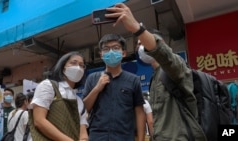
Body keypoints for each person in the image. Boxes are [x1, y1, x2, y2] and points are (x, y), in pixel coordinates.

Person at [105, 3, 207, 141]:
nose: (141, 48)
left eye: (144, 43)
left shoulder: (175, 67)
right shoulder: (155, 77)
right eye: (139, 45)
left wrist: (137, 29)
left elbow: (165, 55)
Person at [82, 33, 146, 141]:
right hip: (97, 137)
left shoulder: (133, 80)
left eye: (116, 48)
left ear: (124, 53)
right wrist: (97, 88)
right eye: (106, 49)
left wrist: (141, 139)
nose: (111, 52)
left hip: (124, 137)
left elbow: (139, 112)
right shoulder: (92, 78)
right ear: (101, 54)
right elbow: (84, 109)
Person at [30, 51, 88, 141]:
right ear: (63, 67)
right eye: (73, 63)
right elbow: (39, 121)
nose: (78, 67)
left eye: (81, 65)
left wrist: (84, 139)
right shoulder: (48, 86)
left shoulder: (79, 101)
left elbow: (83, 130)